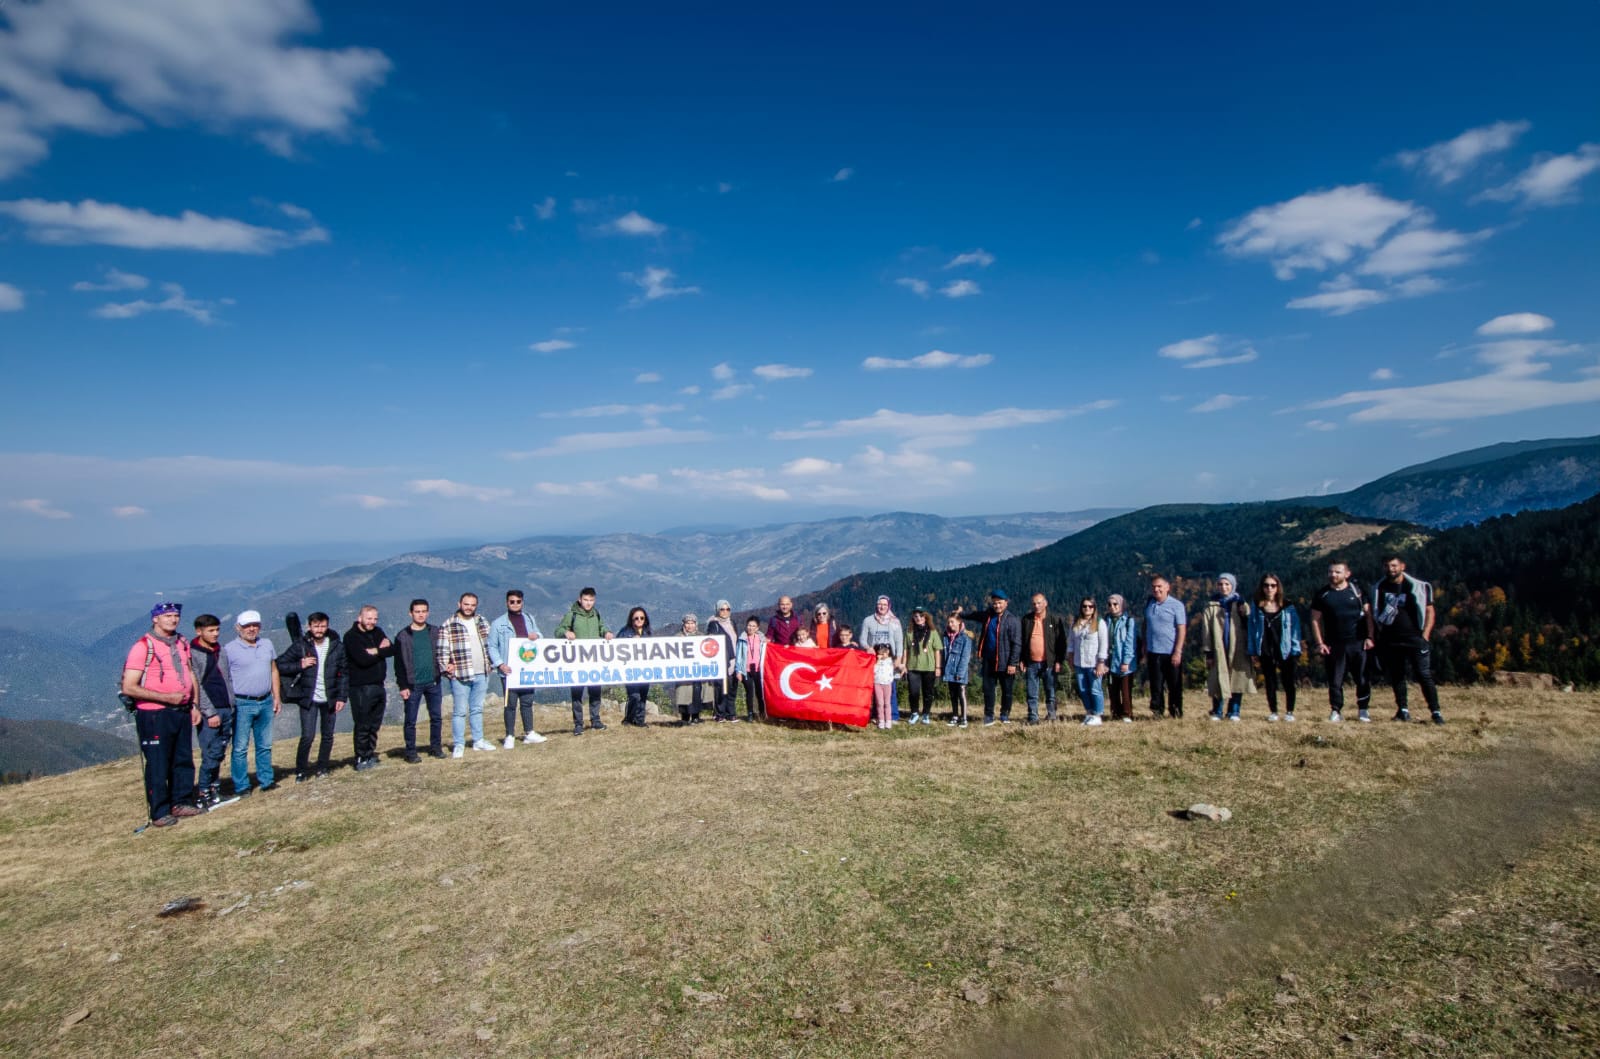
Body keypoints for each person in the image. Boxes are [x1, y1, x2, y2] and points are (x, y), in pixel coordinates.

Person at [122, 602, 201, 828]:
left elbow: (189, 673)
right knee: (158, 763)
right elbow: (129, 686)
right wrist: (167, 698)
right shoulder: (142, 647)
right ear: (155, 619)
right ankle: (159, 811)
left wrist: (194, 704)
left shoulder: (182, 642)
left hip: (182, 710)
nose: (173, 619)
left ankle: (182, 801)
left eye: (175, 615)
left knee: (182, 759)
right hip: (154, 714)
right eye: (167, 616)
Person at [1371, 555, 1445, 725]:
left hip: (1414, 637)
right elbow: (1375, 611)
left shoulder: (1418, 586)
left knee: (1423, 674)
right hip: (1391, 638)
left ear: (1402, 566)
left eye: (1394, 565)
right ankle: (1402, 710)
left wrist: (1425, 634)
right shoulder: (1379, 588)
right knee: (1397, 675)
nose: (1391, 569)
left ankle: (1435, 712)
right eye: (1387, 565)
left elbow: (1429, 611)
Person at [277, 612, 348, 780]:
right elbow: (279, 664)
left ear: (327, 626)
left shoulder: (337, 646)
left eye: (323, 626)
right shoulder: (301, 645)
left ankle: (322, 767)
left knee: (328, 735)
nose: (319, 630)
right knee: (307, 736)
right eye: (316, 626)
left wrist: (342, 697)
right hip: (308, 698)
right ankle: (301, 770)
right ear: (309, 626)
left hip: (329, 697)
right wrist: (299, 665)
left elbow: (344, 673)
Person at [224, 609, 282, 794]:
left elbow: (273, 670)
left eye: (255, 625)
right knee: (240, 747)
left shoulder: (267, 644)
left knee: (264, 744)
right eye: (247, 626)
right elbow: (225, 678)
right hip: (242, 703)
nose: (251, 629)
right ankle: (242, 785)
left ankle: (266, 780)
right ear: (238, 628)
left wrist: (276, 696)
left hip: (265, 700)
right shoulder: (229, 650)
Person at [1309, 561, 1374, 723]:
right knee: (1335, 680)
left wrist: (1370, 637)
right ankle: (1336, 710)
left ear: (1347, 574)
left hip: (1358, 642)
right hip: (1334, 644)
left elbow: (1369, 616)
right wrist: (1320, 643)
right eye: (1331, 572)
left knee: (1362, 678)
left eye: (1338, 572)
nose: (1333, 575)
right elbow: (1315, 620)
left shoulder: (1357, 591)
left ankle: (1363, 710)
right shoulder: (1322, 594)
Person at [439, 593, 497, 754]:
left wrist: (491, 664)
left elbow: (491, 643)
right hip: (460, 674)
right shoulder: (449, 624)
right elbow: (442, 650)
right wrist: (446, 668)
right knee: (459, 711)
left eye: (472, 605)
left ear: (476, 606)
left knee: (477, 709)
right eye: (466, 604)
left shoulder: (482, 621)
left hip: (482, 672)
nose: (469, 607)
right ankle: (459, 744)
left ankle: (478, 740)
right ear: (459, 604)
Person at [489, 590, 546, 747]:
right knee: (511, 703)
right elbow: (492, 646)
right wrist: (500, 664)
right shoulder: (498, 624)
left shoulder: (529, 619)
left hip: (527, 667)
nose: (515, 604)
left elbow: (539, 635)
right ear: (507, 603)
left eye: (518, 601)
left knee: (527, 701)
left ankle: (529, 732)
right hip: (509, 670)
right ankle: (509, 735)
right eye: (512, 601)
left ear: (522, 602)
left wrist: (537, 636)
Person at [187, 613, 234, 806]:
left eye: (217, 630)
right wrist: (209, 711)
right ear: (199, 631)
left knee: (220, 751)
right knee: (210, 753)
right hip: (211, 712)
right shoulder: (193, 654)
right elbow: (196, 683)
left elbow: (227, 678)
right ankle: (203, 793)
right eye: (211, 630)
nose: (216, 634)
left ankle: (215, 790)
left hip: (226, 708)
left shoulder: (220, 650)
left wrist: (232, 705)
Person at [394, 598, 445, 761]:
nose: (421, 615)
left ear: (428, 612)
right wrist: (403, 686)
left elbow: (443, 652)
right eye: (417, 611)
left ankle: (436, 748)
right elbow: (399, 663)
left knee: (436, 717)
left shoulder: (435, 632)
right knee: (410, 720)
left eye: (424, 611)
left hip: (433, 681)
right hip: (412, 684)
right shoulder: (403, 636)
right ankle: (410, 752)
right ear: (411, 613)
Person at [557, 587, 613, 735]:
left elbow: (601, 627)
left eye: (591, 600)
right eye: (586, 600)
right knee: (577, 694)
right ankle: (578, 724)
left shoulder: (596, 615)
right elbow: (558, 631)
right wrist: (565, 632)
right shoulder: (572, 615)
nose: (588, 603)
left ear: (594, 601)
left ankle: (595, 721)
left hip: (594, 661)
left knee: (595, 692)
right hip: (576, 662)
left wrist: (606, 632)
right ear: (580, 599)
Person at [961, 590, 1021, 726]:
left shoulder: (1012, 620)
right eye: (994, 603)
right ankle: (989, 715)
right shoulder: (988, 616)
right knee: (988, 689)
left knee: (1007, 690)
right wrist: (960, 613)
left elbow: (1017, 644)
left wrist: (1013, 663)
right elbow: (974, 615)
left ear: (1006, 603)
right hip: (989, 659)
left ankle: (1005, 714)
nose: (997, 606)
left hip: (1005, 661)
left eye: (999, 603)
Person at [344, 605, 393, 771]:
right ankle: (360, 757)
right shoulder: (351, 637)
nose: (372, 622)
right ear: (360, 618)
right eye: (368, 618)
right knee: (363, 723)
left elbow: (392, 649)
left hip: (378, 684)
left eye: (374, 619)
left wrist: (375, 651)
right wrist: (381, 650)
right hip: (361, 687)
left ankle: (370, 754)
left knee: (374, 723)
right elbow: (362, 659)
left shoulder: (377, 631)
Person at [1198, 574, 1252, 721]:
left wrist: (1245, 611)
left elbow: (1250, 624)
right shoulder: (1211, 605)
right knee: (1218, 678)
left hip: (1238, 647)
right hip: (1218, 647)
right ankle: (1217, 710)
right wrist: (1208, 652)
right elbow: (1206, 630)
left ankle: (1234, 711)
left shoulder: (1240, 604)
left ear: (1233, 586)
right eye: (1221, 584)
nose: (1224, 587)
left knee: (1237, 678)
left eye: (1227, 584)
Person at [1248, 574, 1302, 722]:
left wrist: (1296, 649)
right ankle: (1274, 711)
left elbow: (1295, 628)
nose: (1269, 588)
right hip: (1265, 648)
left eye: (1273, 585)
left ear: (1278, 587)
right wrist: (1252, 650)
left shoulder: (1288, 605)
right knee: (1270, 681)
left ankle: (1290, 711)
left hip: (1285, 648)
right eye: (1266, 585)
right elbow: (1252, 628)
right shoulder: (1257, 605)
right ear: (1262, 587)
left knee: (1288, 681)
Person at [1020, 592, 1068, 723]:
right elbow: (1022, 641)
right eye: (1034, 603)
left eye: (1039, 603)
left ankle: (1052, 715)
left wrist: (1059, 661)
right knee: (1031, 693)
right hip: (1031, 662)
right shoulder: (1026, 620)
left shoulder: (1054, 620)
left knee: (1050, 691)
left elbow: (1061, 642)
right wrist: (1022, 660)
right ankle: (1033, 717)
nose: (1036, 606)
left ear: (1045, 603)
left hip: (1049, 662)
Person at [1144, 577, 1187, 719]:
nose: (1156, 589)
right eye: (1153, 586)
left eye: (1159, 586)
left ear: (1167, 587)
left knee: (1174, 685)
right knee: (1156, 686)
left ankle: (1175, 712)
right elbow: (1146, 626)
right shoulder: (1150, 604)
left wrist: (1178, 651)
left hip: (1170, 652)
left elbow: (1181, 629)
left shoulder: (1176, 605)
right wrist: (1145, 646)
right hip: (1153, 652)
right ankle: (1157, 712)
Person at [860, 595, 906, 720]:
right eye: (880, 604)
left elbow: (899, 641)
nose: (882, 607)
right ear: (876, 605)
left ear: (889, 606)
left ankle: (893, 716)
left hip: (890, 660)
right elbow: (862, 639)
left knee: (891, 688)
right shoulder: (868, 621)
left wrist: (899, 658)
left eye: (885, 605)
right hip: (875, 661)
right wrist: (868, 647)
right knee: (876, 687)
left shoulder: (895, 622)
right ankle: (877, 715)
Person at [1067, 597, 1109, 726]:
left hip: (1094, 662)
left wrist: (1101, 662)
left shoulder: (1099, 623)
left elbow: (1103, 643)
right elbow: (1071, 642)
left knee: (1095, 689)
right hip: (1079, 662)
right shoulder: (1076, 623)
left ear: (1094, 608)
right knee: (1083, 689)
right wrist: (1070, 658)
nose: (1087, 609)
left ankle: (1098, 714)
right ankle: (1089, 713)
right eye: (1085, 606)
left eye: (1090, 606)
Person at [671, 614, 716, 724]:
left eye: (692, 623)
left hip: (697, 670)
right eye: (687, 623)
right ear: (684, 624)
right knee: (683, 693)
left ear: (696, 624)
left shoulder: (702, 636)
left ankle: (696, 716)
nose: (690, 626)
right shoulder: (678, 637)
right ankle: (685, 717)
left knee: (697, 693)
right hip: (683, 671)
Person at [903, 607, 942, 725]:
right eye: (916, 616)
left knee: (928, 692)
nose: (918, 618)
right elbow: (906, 650)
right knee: (913, 692)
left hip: (929, 667)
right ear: (913, 618)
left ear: (926, 617)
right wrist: (904, 665)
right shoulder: (909, 632)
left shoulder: (933, 632)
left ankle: (926, 714)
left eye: (921, 616)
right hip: (913, 666)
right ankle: (914, 713)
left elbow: (937, 650)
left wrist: (938, 667)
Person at [617, 607, 654, 727]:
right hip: (630, 670)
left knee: (643, 695)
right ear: (631, 619)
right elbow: (616, 646)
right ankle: (628, 718)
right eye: (636, 618)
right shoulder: (625, 632)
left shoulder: (648, 632)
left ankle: (639, 720)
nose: (639, 620)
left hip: (645, 669)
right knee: (634, 695)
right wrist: (630, 640)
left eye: (642, 618)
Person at [707, 599, 742, 723]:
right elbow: (711, 641)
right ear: (717, 610)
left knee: (732, 687)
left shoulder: (732, 623)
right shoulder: (714, 624)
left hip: (734, 660)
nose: (725, 612)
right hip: (721, 660)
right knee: (721, 688)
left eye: (728, 609)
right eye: (722, 609)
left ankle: (731, 713)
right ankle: (719, 713)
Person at [1105, 594, 1138, 723]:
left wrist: (1126, 661)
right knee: (1113, 688)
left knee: (1125, 689)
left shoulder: (1128, 621)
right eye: (1110, 604)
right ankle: (1115, 712)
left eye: (1115, 604)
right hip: (1110, 660)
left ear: (1121, 605)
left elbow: (1130, 642)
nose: (1112, 607)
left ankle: (1127, 713)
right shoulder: (1106, 621)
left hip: (1124, 660)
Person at [941, 612, 973, 728]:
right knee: (953, 694)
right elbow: (943, 654)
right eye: (948, 622)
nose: (950, 624)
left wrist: (960, 672)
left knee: (961, 693)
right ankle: (955, 716)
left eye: (952, 622)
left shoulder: (965, 638)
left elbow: (965, 657)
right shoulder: (946, 636)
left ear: (959, 622)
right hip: (949, 669)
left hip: (959, 671)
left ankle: (964, 718)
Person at [737, 616, 767, 721]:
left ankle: (762, 713)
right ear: (746, 626)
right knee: (749, 692)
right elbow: (739, 656)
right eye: (749, 625)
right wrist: (738, 671)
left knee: (760, 692)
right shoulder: (742, 639)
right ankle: (750, 713)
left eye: (754, 626)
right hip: (747, 670)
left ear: (758, 628)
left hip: (759, 670)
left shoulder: (761, 639)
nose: (751, 628)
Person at [872, 643, 897, 729]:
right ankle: (881, 720)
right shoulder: (876, 662)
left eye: (884, 653)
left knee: (887, 703)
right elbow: (874, 670)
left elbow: (895, 666)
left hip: (887, 684)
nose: (882, 655)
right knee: (879, 703)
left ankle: (888, 720)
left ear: (888, 652)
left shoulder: (890, 661)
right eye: (880, 653)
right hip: (877, 683)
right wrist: (878, 661)